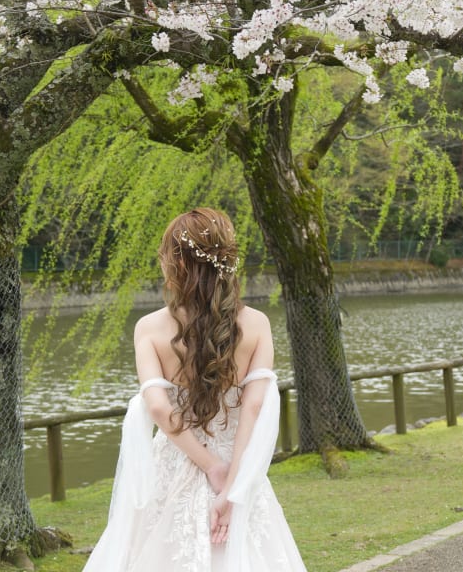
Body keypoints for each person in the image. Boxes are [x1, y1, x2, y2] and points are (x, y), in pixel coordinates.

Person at [83, 207, 308, 572]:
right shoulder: (257, 324)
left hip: (175, 459)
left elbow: (157, 407)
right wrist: (233, 482)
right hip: (238, 461)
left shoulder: (149, 328)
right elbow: (252, 409)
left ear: (176, 264)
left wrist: (211, 467)